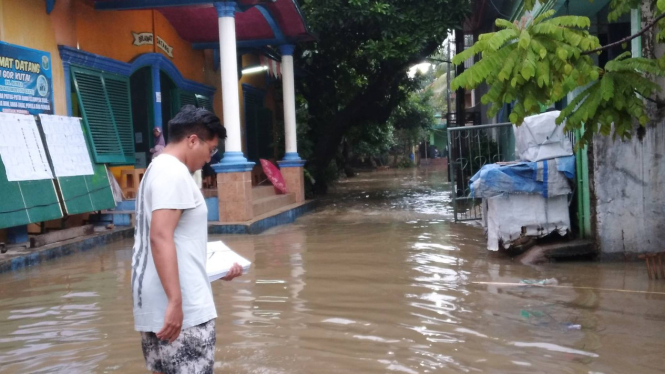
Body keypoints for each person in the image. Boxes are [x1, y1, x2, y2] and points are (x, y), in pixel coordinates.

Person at [131, 105, 243, 374]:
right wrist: (176, 302)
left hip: (156, 304)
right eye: (211, 150)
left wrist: (213, 272)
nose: (209, 158)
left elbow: (173, 240)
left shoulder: (155, 170)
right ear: (193, 140)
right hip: (183, 310)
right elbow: (160, 236)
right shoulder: (174, 172)